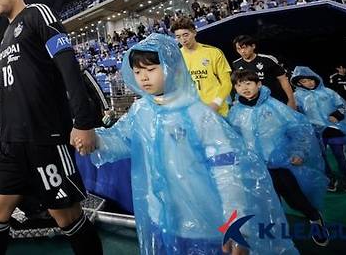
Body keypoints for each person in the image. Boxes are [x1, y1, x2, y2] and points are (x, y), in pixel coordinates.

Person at [85, 34, 297, 255]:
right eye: (137, 72)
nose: (143, 78)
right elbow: (123, 142)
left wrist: (235, 225)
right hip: (161, 217)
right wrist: (95, 140)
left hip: (203, 224)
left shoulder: (198, 115)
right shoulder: (141, 111)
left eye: (150, 69)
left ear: (173, 68)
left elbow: (226, 171)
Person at [0, 0, 103, 255]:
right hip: (11, 144)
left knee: (67, 217)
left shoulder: (38, 14)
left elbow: (69, 65)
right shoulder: (6, 34)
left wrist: (83, 122)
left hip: (44, 139)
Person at [228, 70, 329, 247]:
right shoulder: (235, 112)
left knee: (294, 197)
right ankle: (279, 235)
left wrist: (298, 152)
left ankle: (314, 217)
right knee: (269, 202)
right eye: (239, 84)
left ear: (258, 84)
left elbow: (298, 129)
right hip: (257, 166)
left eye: (248, 83)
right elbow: (234, 140)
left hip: (282, 163)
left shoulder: (274, 106)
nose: (244, 87)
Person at [291, 66, 346, 193]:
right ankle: (331, 180)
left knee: (340, 155)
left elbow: (342, 107)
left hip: (334, 129)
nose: (309, 83)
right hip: (314, 131)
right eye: (304, 81)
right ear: (298, 83)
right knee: (321, 157)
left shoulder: (328, 92)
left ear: (316, 79)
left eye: (311, 80)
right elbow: (296, 114)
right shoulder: (296, 96)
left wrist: (337, 115)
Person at [171, 17, 232, 116]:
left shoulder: (213, 52)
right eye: (178, 37)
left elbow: (226, 83)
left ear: (194, 32)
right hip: (193, 113)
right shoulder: (176, 58)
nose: (183, 40)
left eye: (185, 35)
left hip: (218, 111)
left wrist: (216, 103)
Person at [232, 35, 296, 109]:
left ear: (253, 46)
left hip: (276, 100)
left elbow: (283, 80)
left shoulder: (268, 60)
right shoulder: (236, 64)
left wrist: (291, 100)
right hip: (254, 106)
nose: (242, 51)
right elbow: (238, 85)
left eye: (245, 47)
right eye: (238, 49)